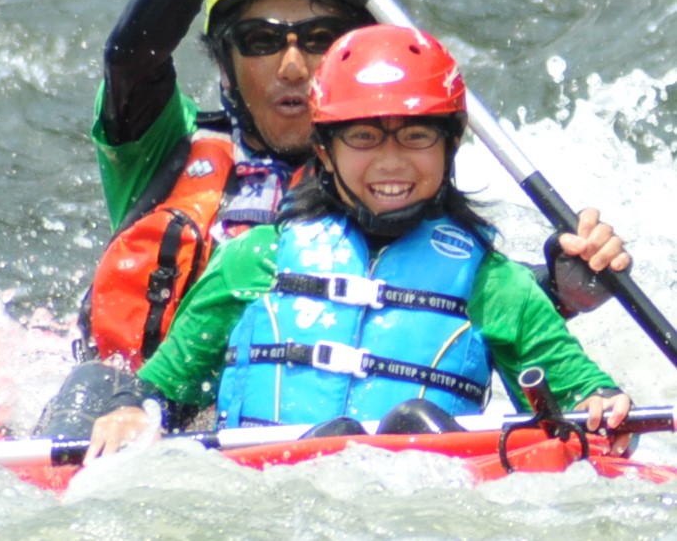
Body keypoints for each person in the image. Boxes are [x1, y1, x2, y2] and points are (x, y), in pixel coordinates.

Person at [35, 0, 630, 439]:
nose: (293, 66)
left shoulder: (404, 172)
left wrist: (556, 288)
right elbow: (130, 60)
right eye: (261, 40)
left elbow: (420, 292)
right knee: (91, 383)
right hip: (145, 415)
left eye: (320, 38)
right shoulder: (168, 149)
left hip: (330, 432)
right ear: (224, 61)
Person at [85, 25, 632, 461]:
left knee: (413, 426)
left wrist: (605, 409)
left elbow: (584, 399)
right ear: (323, 150)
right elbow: (160, 389)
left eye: (416, 135)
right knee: (337, 436)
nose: (391, 161)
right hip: (267, 490)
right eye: (364, 136)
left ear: (452, 143)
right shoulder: (255, 260)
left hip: (421, 495)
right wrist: (133, 411)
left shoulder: (496, 284)